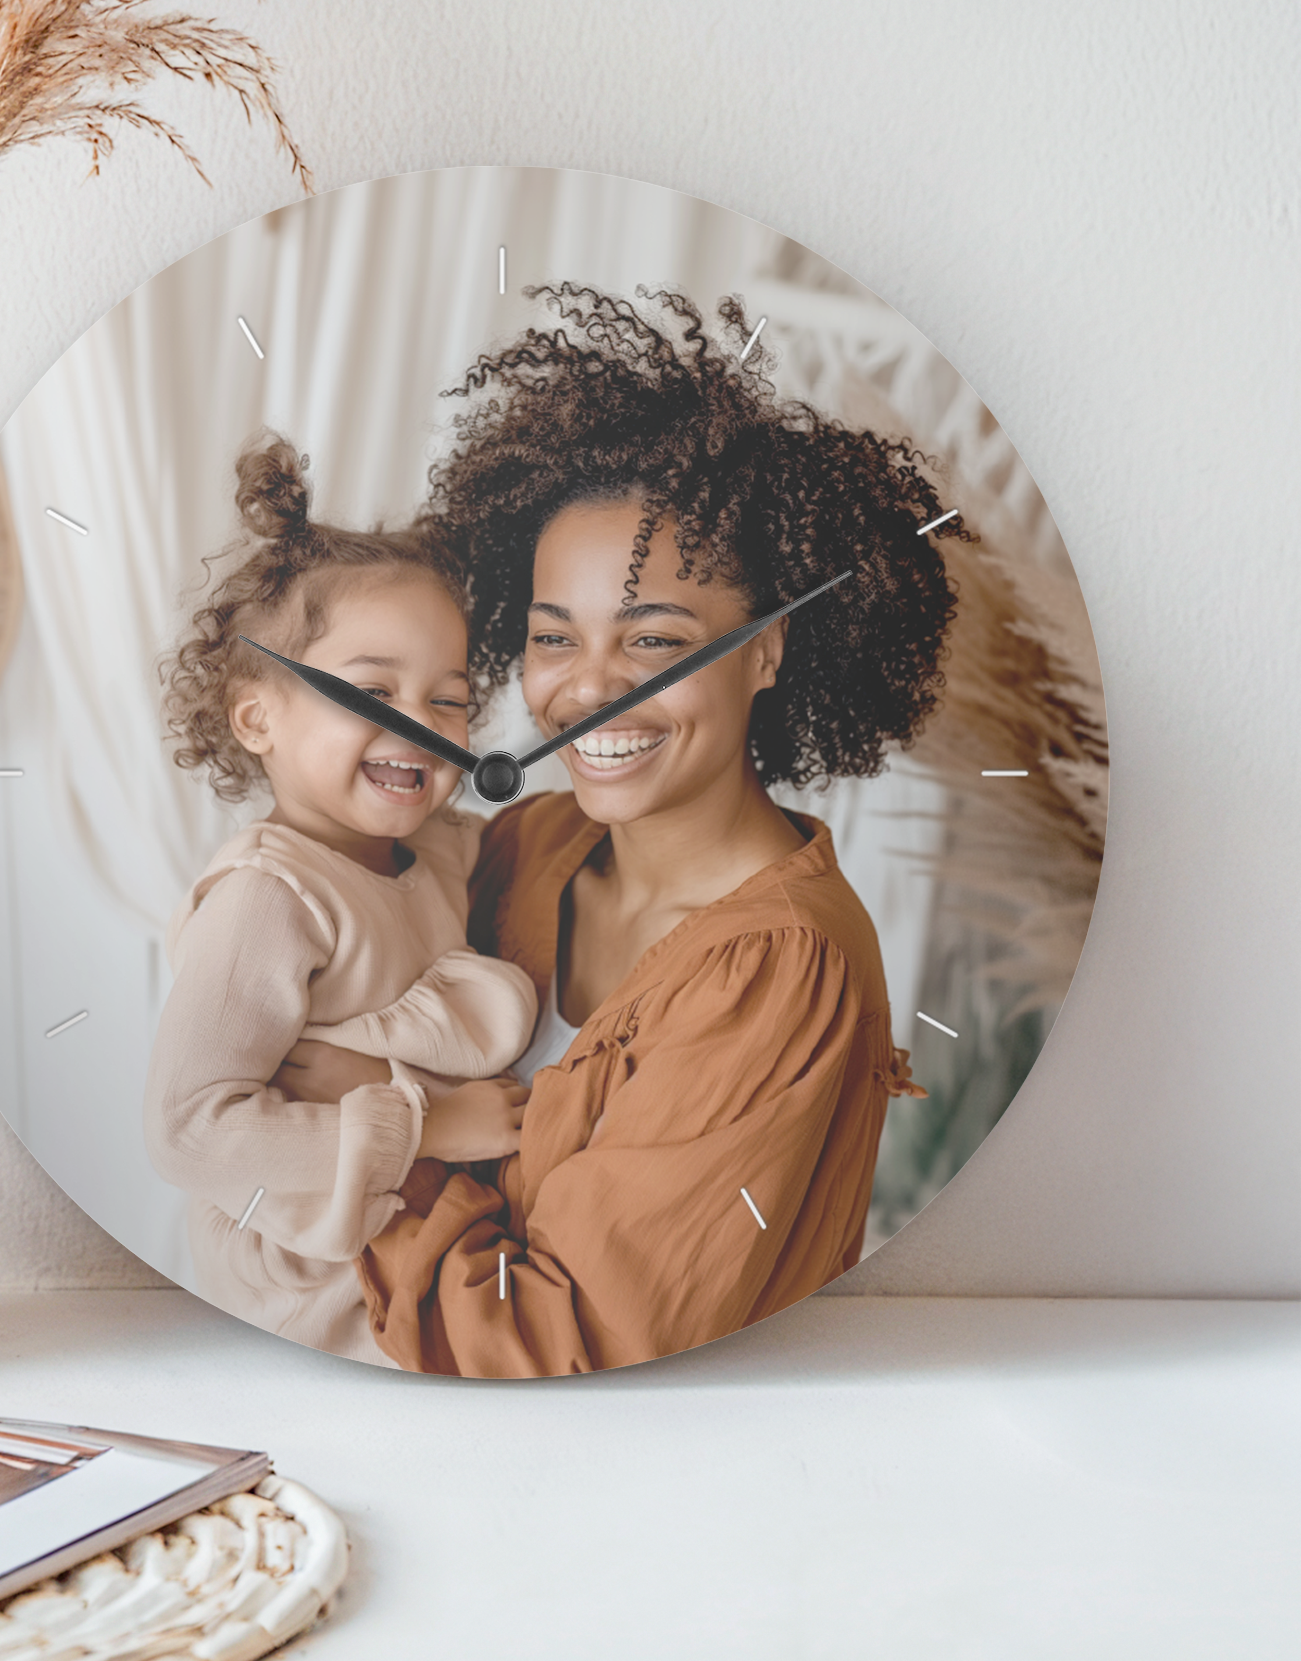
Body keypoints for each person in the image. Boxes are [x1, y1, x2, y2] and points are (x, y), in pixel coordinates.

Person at [282, 285, 952, 1375]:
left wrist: (375, 1135)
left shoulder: (778, 970)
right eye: (552, 635)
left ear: (766, 651)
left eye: (651, 640)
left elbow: (560, 1340)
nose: (585, 689)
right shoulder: (524, 846)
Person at [143, 435, 538, 1364]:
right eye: (373, 689)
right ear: (258, 716)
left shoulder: (434, 852)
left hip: (414, 1240)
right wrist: (429, 1123)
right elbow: (187, 1132)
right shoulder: (268, 898)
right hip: (307, 1280)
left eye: (449, 701)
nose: (420, 725)